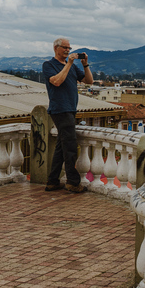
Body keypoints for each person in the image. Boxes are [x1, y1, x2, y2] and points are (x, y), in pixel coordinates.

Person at [42, 38, 94, 193]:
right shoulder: (49, 65)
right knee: (70, 146)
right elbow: (57, 81)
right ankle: (72, 181)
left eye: (69, 48)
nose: (67, 50)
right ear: (55, 48)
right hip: (60, 109)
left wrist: (85, 64)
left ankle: (52, 181)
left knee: (61, 146)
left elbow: (89, 81)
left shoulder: (70, 66)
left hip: (70, 109)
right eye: (64, 47)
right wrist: (70, 63)